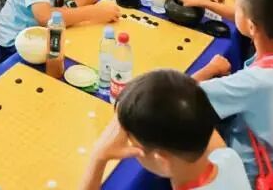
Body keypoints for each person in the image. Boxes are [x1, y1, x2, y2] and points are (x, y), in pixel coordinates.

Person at [192, 0, 273, 183]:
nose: (235, 11)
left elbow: (181, 93)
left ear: (251, 26)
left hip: (252, 174)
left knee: (182, 128)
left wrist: (210, 69)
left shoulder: (254, 82)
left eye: (238, 8)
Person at [79, 70, 251, 190]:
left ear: (162, 161)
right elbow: (188, 105)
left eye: (132, 143)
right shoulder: (229, 158)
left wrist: (98, 157)